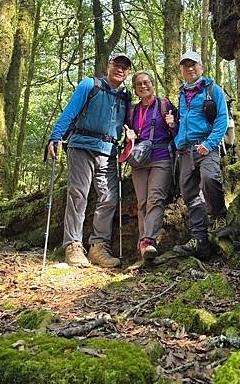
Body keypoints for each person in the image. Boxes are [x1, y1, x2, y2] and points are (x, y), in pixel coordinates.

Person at [47, 54, 131, 268]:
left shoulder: (126, 97)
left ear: (128, 72)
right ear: (108, 66)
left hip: (108, 151)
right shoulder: (89, 85)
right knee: (78, 194)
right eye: (116, 65)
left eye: (125, 67)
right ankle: (73, 245)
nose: (120, 69)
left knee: (109, 198)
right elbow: (70, 112)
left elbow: (129, 124)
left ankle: (98, 247)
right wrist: (55, 137)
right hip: (81, 146)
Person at [170, 50, 229, 259]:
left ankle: (220, 216)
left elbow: (222, 119)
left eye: (193, 64)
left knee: (210, 178)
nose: (190, 68)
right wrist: (174, 129)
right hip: (185, 150)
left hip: (207, 146)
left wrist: (209, 143)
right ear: (182, 70)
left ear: (201, 67)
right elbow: (185, 123)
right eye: (186, 66)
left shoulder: (213, 90)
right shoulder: (181, 94)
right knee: (190, 195)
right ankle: (199, 241)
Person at [124, 71, 177, 261]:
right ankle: (142, 244)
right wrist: (128, 138)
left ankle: (149, 240)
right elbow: (127, 135)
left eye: (146, 82)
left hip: (161, 157)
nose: (143, 86)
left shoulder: (165, 105)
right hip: (139, 160)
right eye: (139, 84)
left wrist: (172, 125)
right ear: (135, 89)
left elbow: (178, 133)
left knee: (156, 198)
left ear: (153, 84)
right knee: (142, 202)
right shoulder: (132, 111)